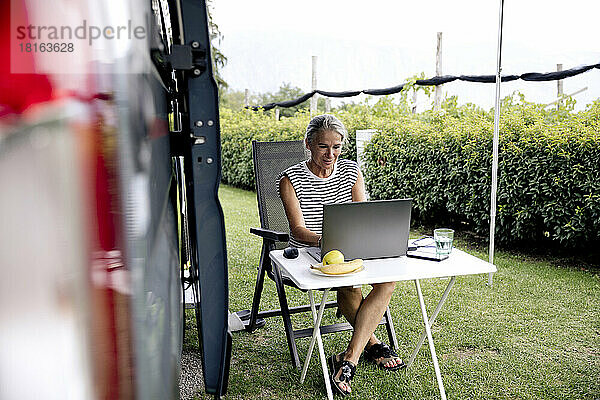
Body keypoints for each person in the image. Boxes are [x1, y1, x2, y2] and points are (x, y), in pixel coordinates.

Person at [278, 114, 404, 396]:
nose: (330, 154)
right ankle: (371, 346)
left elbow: (364, 215)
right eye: (323, 146)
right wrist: (325, 239)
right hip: (312, 252)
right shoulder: (290, 178)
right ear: (308, 144)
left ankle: (349, 358)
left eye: (336, 147)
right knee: (350, 284)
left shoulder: (351, 171)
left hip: (353, 248)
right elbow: (297, 229)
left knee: (388, 282)